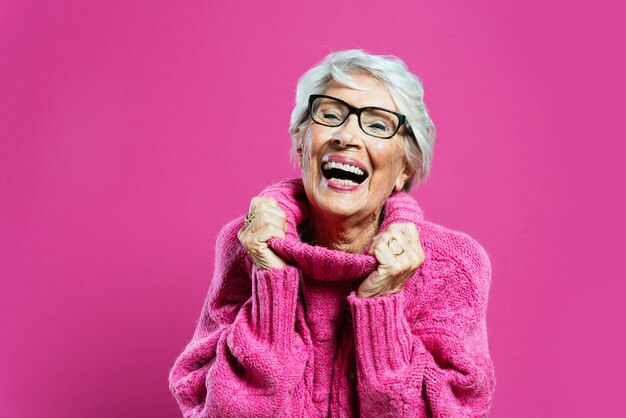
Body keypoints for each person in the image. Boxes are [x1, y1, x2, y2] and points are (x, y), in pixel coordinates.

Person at [168, 49, 495, 417]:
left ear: (405, 167)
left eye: (377, 124)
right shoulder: (246, 244)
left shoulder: (452, 265)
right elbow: (215, 411)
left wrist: (380, 303)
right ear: (301, 143)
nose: (346, 136)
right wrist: (272, 282)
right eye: (330, 114)